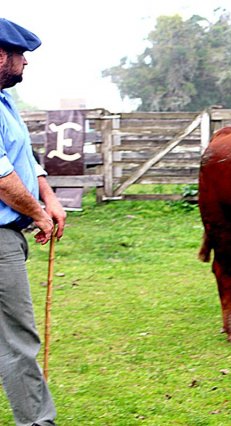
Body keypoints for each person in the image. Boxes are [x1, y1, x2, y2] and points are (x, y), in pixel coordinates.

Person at [0, 18, 65, 426]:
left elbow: (23, 156)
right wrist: (39, 215)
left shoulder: (5, 101)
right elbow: (2, 177)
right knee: (17, 339)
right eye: (20, 54)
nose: (26, 62)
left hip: (8, 234)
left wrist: (49, 197)